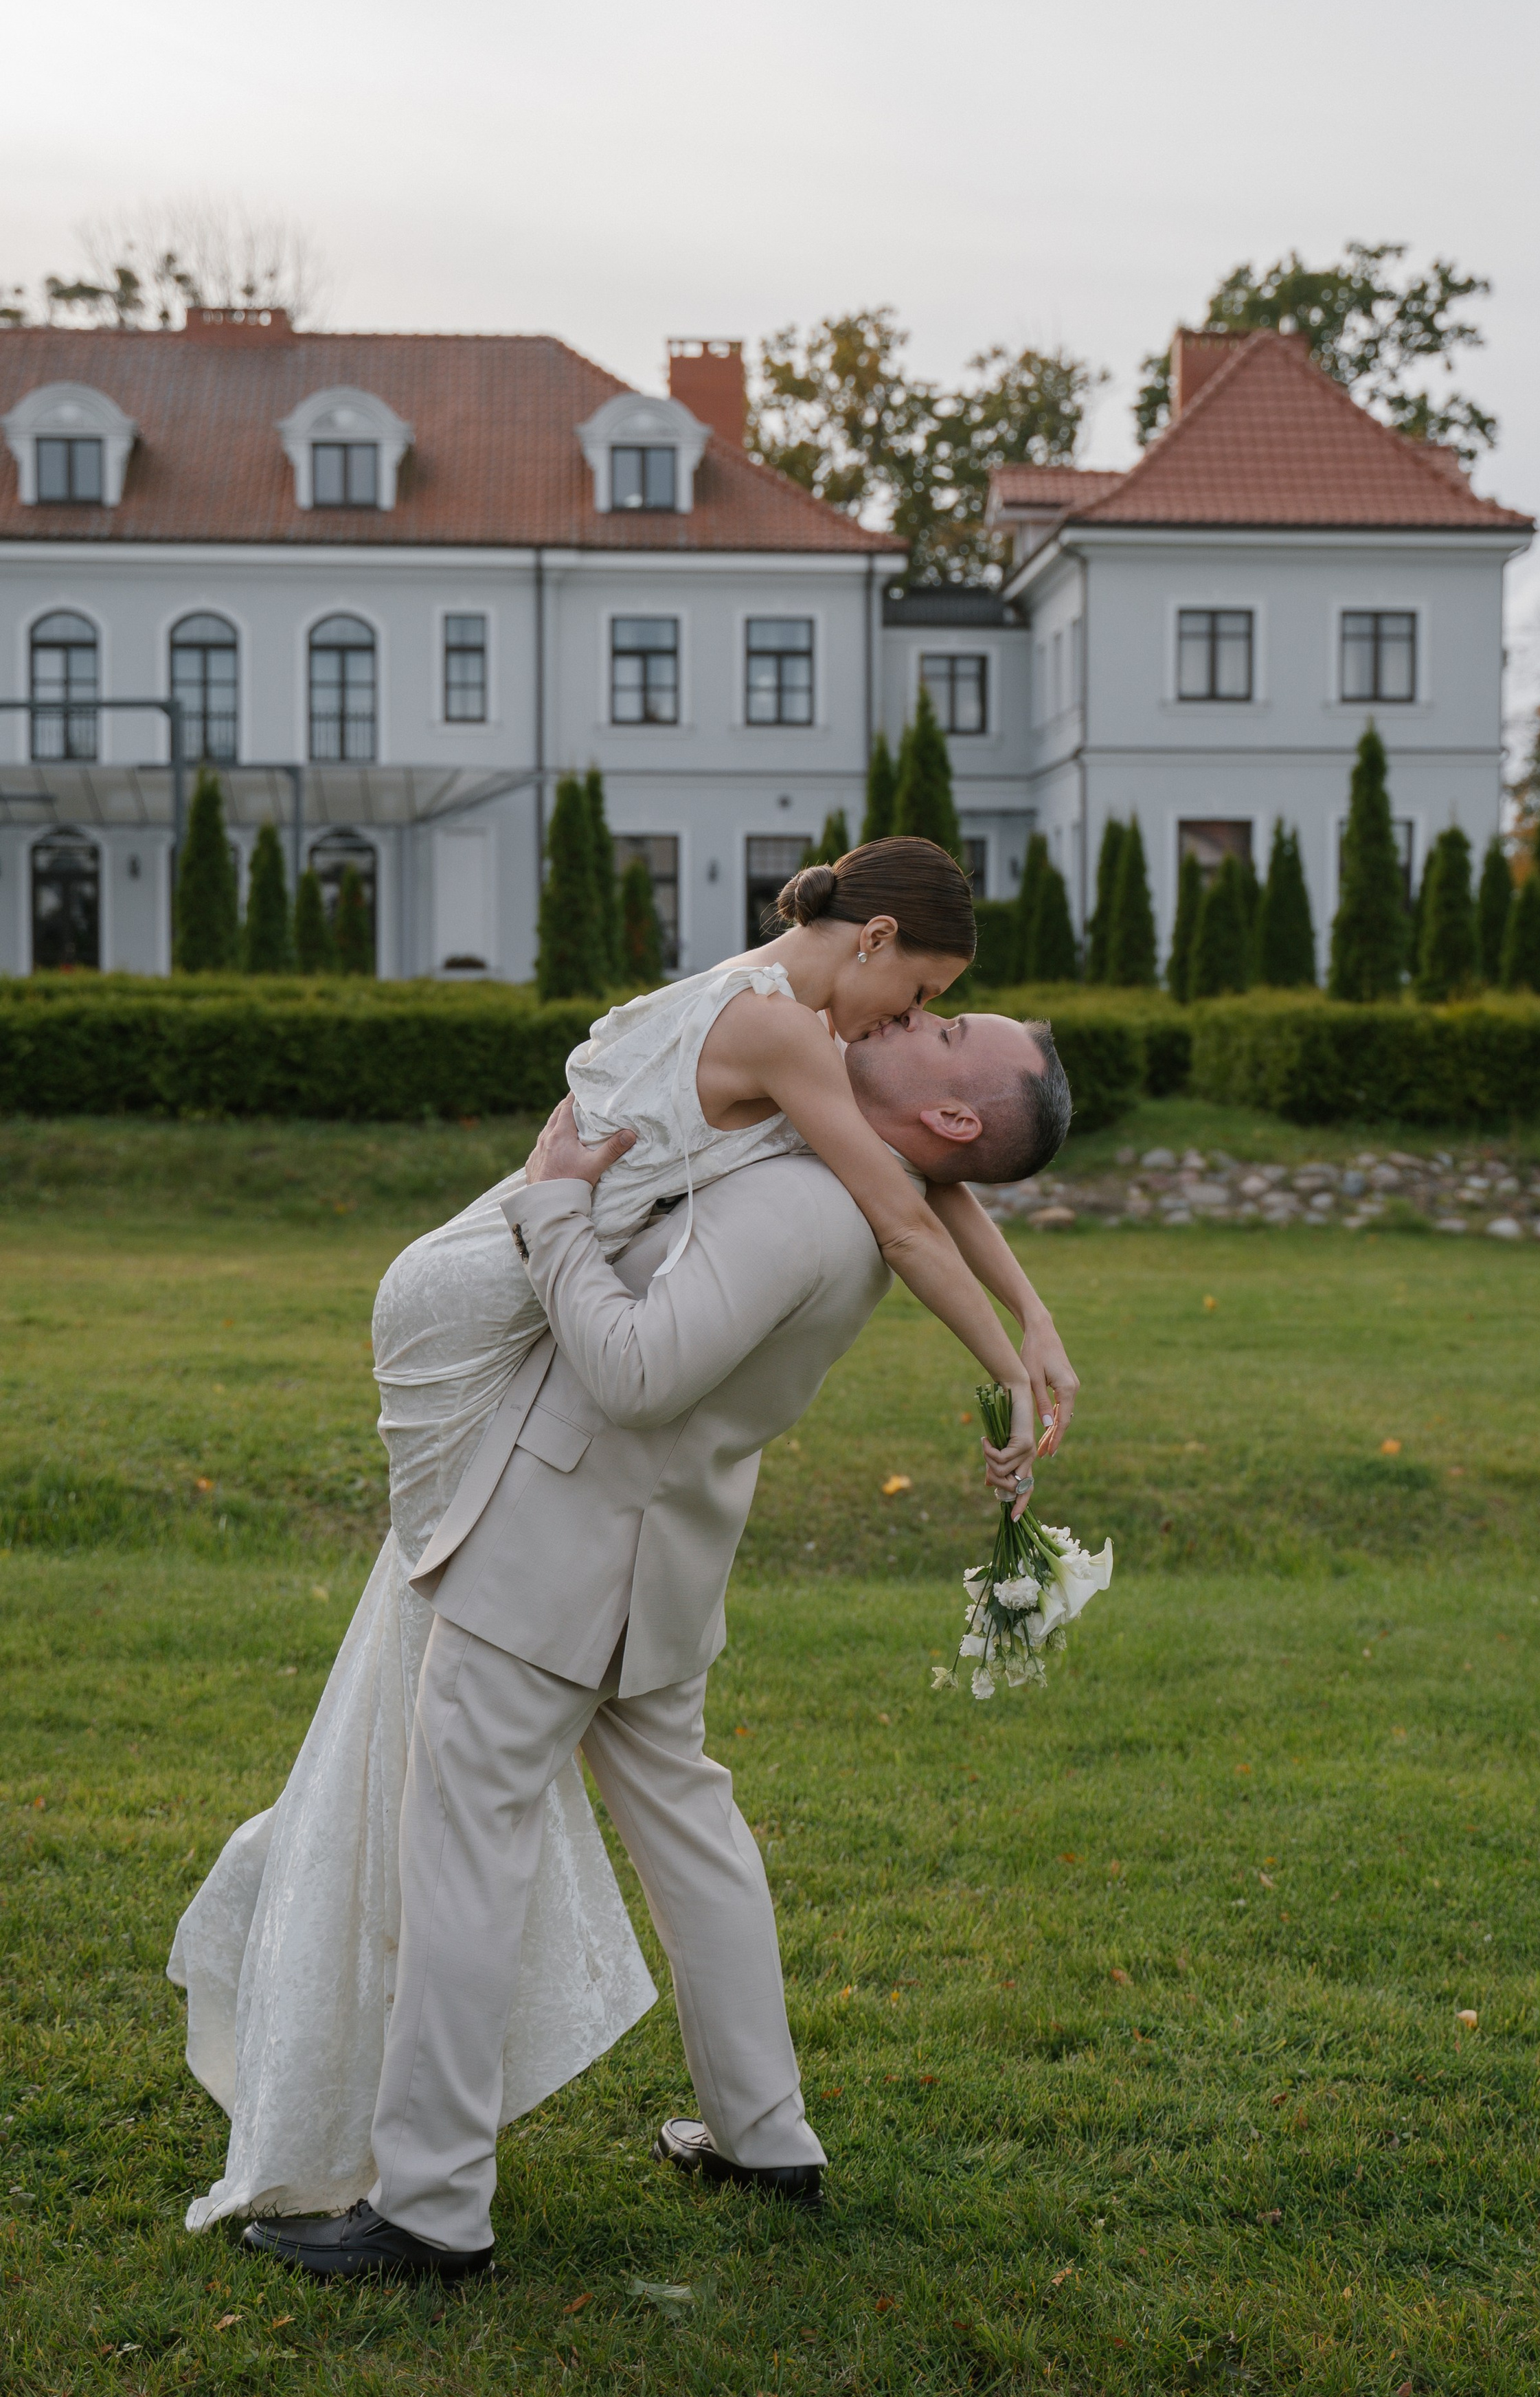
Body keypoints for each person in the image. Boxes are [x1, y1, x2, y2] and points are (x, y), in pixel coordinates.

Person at [172, 840, 1078, 2266]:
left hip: (554, 1553)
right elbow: (927, 1200)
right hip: (658, 1571)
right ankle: (764, 2133)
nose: (913, 1017)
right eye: (931, 994)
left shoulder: (796, 1201)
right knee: (693, 1834)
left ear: (955, 1113)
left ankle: (429, 2210)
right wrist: (1032, 1331)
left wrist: (544, 1213)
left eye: (945, 1024)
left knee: (462, 1857)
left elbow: (634, 1371)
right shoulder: (825, 1147)